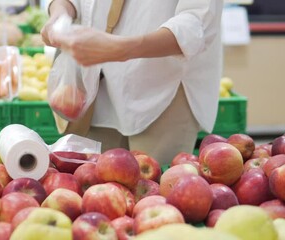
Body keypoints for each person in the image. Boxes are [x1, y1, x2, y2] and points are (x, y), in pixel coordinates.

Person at [41, 0, 224, 165]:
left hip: (165, 87)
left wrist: (121, 49)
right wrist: (60, 14)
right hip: (98, 82)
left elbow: (196, 22)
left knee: (154, 193)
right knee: (98, 186)